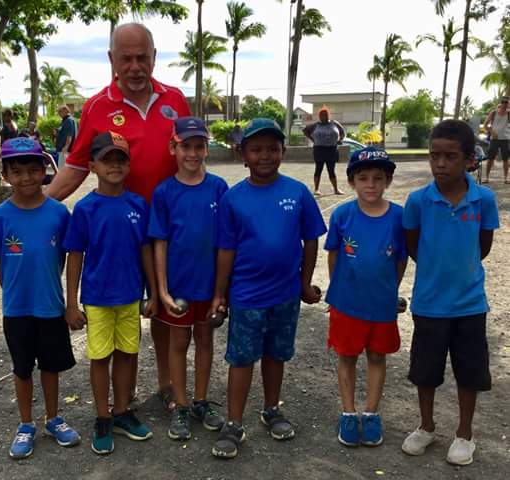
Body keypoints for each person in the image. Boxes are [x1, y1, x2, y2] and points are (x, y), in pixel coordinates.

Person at [46, 23, 191, 410]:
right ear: (112, 59)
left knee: (164, 308)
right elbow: (77, 165)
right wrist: (41, 201)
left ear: (154, 57)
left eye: (142, 57)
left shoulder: (175, 100)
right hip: (121, 235)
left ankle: (166, 383)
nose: (135, 66)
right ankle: (121, 401)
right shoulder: (97, 106)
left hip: (169, 232)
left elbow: (191, 155)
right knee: (122, 309)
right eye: (125, 58)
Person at [210, 118, 327, 459]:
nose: (265, 156)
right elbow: (226, 250)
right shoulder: (233, 199)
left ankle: (271, 409)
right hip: (246, 296)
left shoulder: (297, 192)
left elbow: (310, 240)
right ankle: (233, 423)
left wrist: (304, 283)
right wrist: (220, 294)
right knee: (242, 358)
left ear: (283, 152)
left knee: (276, 355)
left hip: (286, 294)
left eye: (272, 149)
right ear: (243, 154)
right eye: (256, 149)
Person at [401, 120, 499, 466]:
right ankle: (426, 427)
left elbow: (482, 247)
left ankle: (465, 434)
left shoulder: (484, 200)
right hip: (429, 304)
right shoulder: (417, 201)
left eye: (450, 156)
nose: (440, 164)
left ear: (469, 159)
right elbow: (413, 247)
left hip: (470, 305)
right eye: (434, 156)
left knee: (469, 372)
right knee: (425, 371)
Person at [0, 137, 80, 459]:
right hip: (17, 310)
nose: (26, 178)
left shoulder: (58, 214)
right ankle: (26, 424)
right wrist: (14, 293)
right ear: (6, 174)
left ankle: (53, 418)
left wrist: (64, 301)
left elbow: (63, 259)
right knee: (22, 369)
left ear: (44, 171)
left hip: (50, 307)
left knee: (50, 367)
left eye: (33, 170)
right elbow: (0, 263)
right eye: (17, 171)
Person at [64, 131, 156, 455]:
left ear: (128, 166)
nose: (114, 165)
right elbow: (74, 255)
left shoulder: (138, 205)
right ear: (92, 166)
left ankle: (121, 411)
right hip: (98, 298)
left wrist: (154, 292)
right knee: (100, 357)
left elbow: (147, 251)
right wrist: (71, 304)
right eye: (107, 160)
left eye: (121, 159)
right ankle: (102, 416)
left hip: (131, 296)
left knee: (128, 354)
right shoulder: (86, 209)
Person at [148, 117, 228, 441]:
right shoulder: (165, 192)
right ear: (173, 148)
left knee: (206, 341)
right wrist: (162, 290)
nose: (192, 153)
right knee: (178, 343)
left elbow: (226, 243)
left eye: (199, 146)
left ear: (207, 149)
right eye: (185, 146)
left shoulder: (219, 188)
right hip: (179, 287)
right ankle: (180, 404)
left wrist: (222, 292)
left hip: (209, 287)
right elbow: (159, 242)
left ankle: (200, 401)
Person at [324, 147, 407, 447]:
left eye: (377, 178)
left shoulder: (399, 217)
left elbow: (400, 259)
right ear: (351, 182)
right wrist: (338, 290)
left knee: (376, 356)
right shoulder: (342, 214)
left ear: (387, 181)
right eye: (363, 178)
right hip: (346, 303)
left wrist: (390, 290)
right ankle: (348, 412)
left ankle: (371, 413)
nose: (370, 184)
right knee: (347, 357)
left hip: (381, 304)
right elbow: (333, 255)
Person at [303, 107, 345, 196]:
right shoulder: (315, 125)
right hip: (319, 149)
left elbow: (342, 132)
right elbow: (305, 130)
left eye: (325, 115)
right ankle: (316, 189)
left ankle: (336, 189)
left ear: (328, 115)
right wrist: (312, 139)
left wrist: (340, 140)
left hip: (332, 149)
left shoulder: (335, 123)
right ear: (319, 116)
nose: (323, 117)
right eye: (321, 115)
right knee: (318, 169)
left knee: (331, 170)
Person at [483, 97, 510, 183]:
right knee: (490, 158)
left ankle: (506, 178)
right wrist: (492, 132)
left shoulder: (509, 114)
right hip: (494, 139)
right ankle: (486, 178)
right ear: (501, 104)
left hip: (505, 139)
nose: (505, 106)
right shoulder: (493, 113)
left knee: (505, 159)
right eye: (504, 104)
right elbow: (485, 125)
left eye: (507, 104)